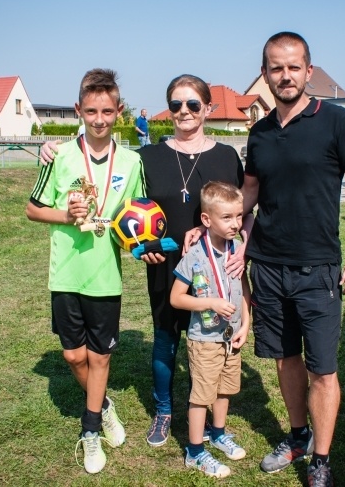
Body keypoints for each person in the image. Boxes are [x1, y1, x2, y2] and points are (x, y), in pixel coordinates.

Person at [40, 74, 245, 448]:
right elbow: (127, 207)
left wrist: (241, 244)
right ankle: (164, 412)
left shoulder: (227, 156)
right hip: (165, 264)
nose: (184, 112)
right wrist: (50, 149)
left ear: (208, 109)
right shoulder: (147, 157)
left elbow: (239, 210)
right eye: (177, 104)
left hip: (215, 267)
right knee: (165, 339)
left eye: (193, 105)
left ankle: (215, 426)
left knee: (215, 341)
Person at [242, 31, 345, 486]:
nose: (285, 75)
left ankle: (320, 458)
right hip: (267, 266)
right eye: (276, 68)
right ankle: (297, 435)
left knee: (323, 369)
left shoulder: (335, 120)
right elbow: (251, 190)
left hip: (318, 268)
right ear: (265, 74)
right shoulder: (258, 132)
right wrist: (218, 223)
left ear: (308, 70)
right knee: (285, 360)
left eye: (293, 66)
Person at [25, 69, 142, 474]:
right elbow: (32, 209)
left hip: (106, 275)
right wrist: (67, 215)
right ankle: (104, 404)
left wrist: (143, 245)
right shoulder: (57, 156)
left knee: (100, 357)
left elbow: (137, 216)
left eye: (107, 111)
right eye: (91, 110)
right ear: (79, 110)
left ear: (119, 112)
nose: (99, 119)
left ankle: (91, 429)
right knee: (74, 356)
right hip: (66, 273)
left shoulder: (131, 160)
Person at [170, 181, 251, 479]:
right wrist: (211, 304)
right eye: (227, 218)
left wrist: (246, 324)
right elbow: (176, 298)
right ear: (207, 220)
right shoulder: (195, 256)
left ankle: (217, 434)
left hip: (231, 337)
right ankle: (194, 452)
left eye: (239, 216)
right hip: (204, 340)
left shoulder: (238, 249)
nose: (235, 224)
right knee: (201, 395)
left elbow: (244, 289)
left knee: (225, 389)